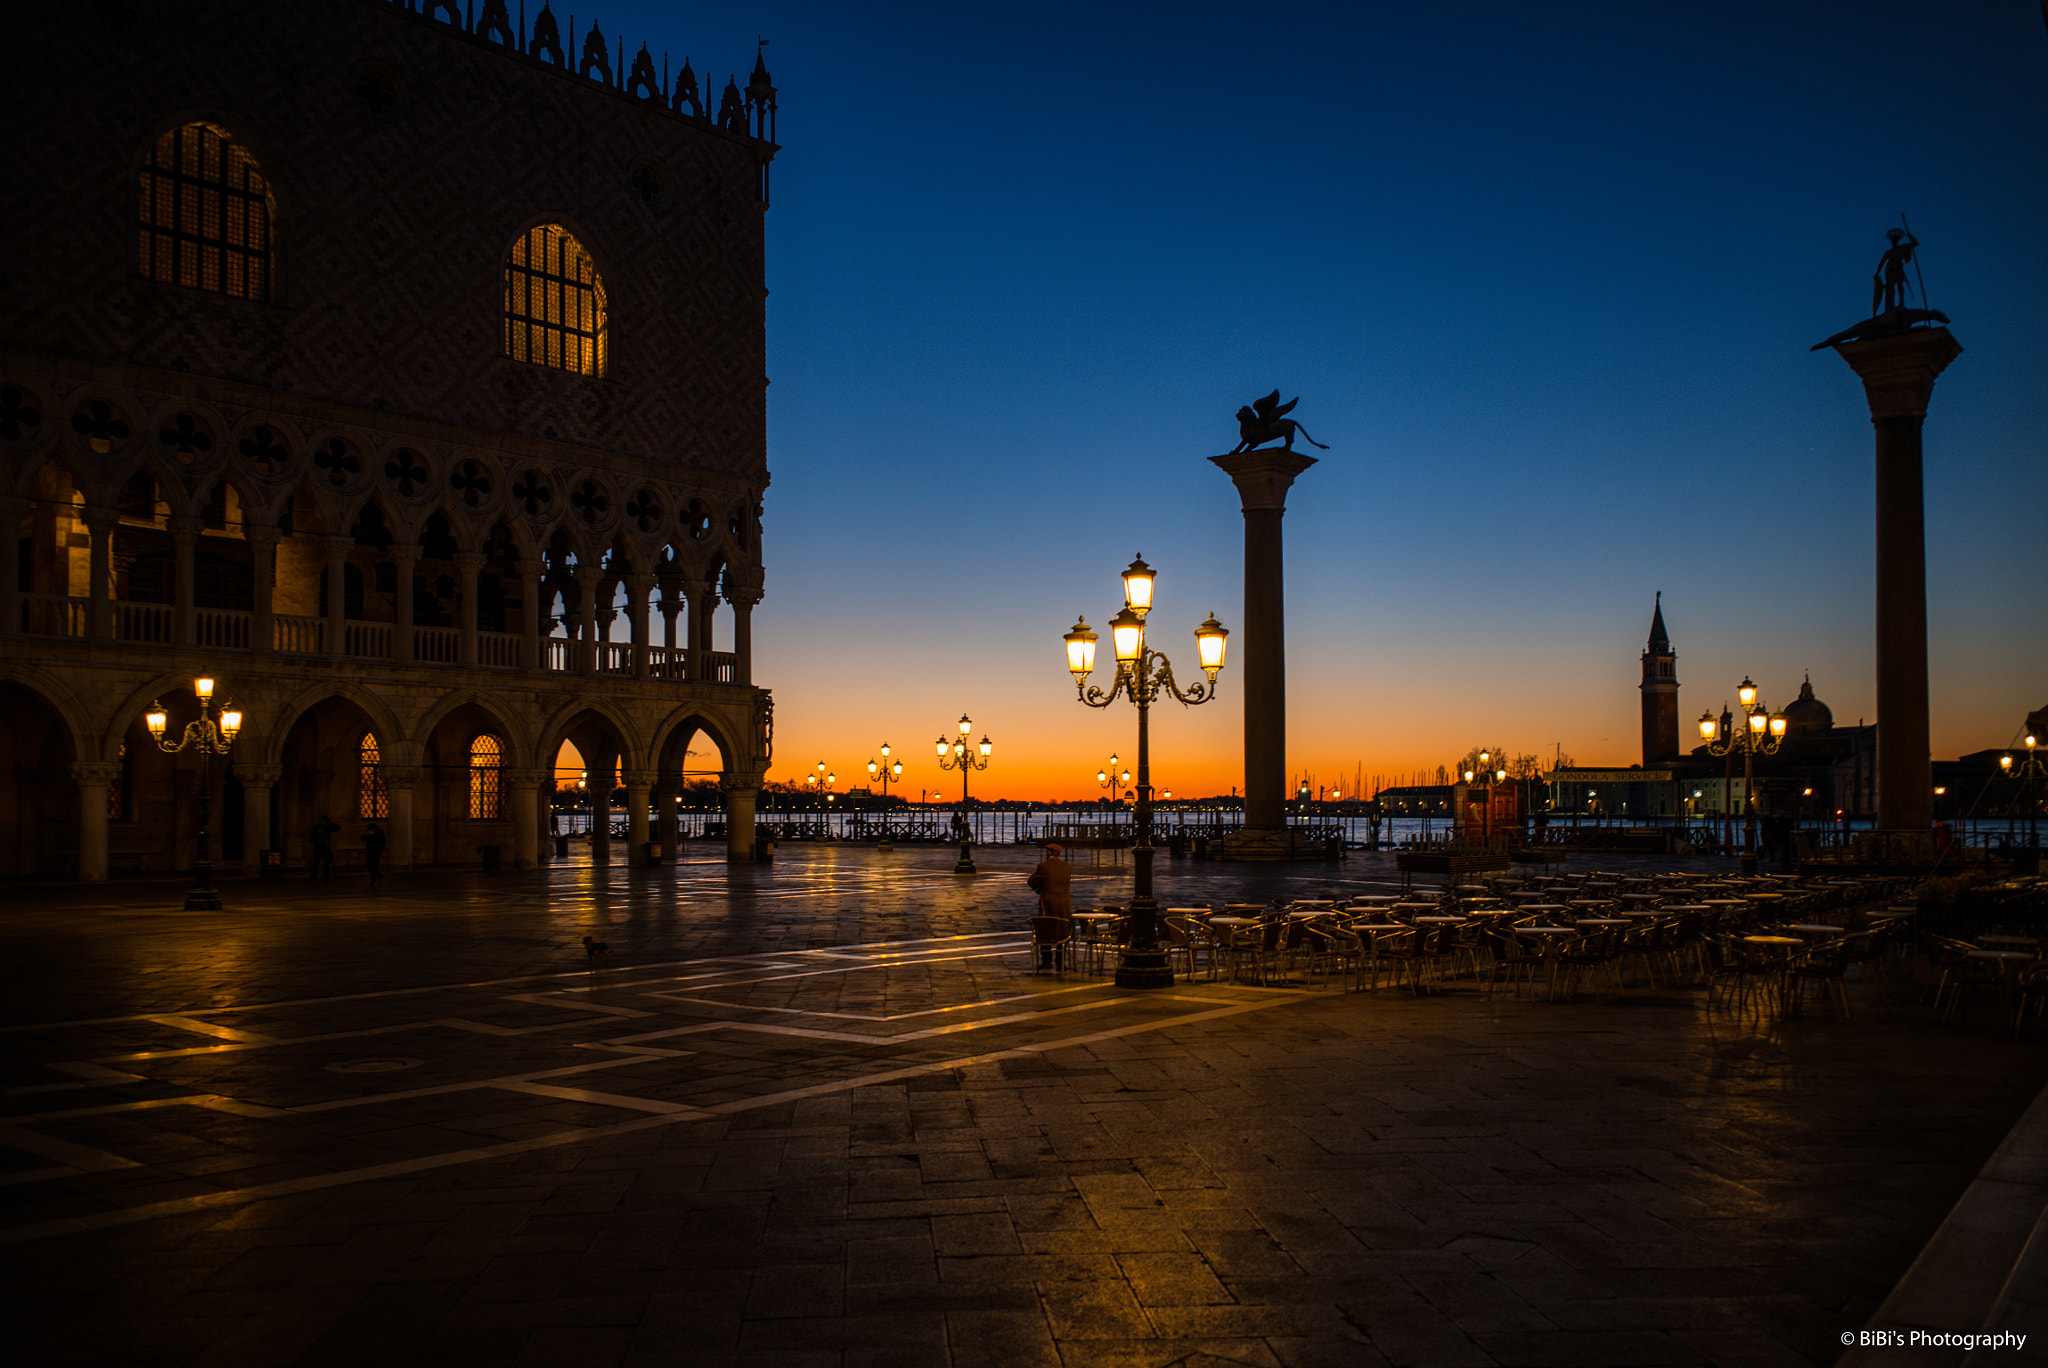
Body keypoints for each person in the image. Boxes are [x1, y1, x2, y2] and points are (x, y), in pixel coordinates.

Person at [1027, 842, 1072, 969]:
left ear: (1049, 853)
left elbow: (1031, 881)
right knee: (1063, 932)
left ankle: (1047, 961)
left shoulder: (1043, 866)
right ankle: (1060, 962)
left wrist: (1039, 889)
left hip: (1048, 903)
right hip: (1064, 905)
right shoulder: (1067, 866)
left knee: (1046, 930)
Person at [308, 814, 339, 879]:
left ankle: (325, 875)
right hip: (319, 846)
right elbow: (312, 837)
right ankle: (315, 875)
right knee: (317, 862)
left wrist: (329, 825)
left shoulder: (327, 827)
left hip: (325, 846)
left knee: (326, 862)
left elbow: (337, 828)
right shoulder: (317, 827)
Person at [362, 822, 386, 890]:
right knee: (369, 864)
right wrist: (366, 834)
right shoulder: (369, 832)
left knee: (374, 864)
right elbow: (362, 839)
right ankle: (378, 874)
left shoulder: (379, 832)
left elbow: (381, 841)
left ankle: (373, 878)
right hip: (370, 851)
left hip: (376, 851)